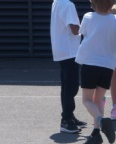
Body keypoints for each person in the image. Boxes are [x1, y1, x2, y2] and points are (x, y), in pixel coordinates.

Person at [75, 0, 116, 144]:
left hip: (90, 62)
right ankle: (96, 132)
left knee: (87, 100)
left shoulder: (88, 16)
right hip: (108, 64)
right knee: (98, 99)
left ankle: (101, 121)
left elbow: (83, 34)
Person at [50, 0, 87, 134]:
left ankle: (69, 116)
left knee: (66, 85)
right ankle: (66, 119)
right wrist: (88, 27)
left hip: (62, 49)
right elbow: (75, 29)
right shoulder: (68, 5)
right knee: (71, 86)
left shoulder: (57, 2)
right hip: (70, 50)